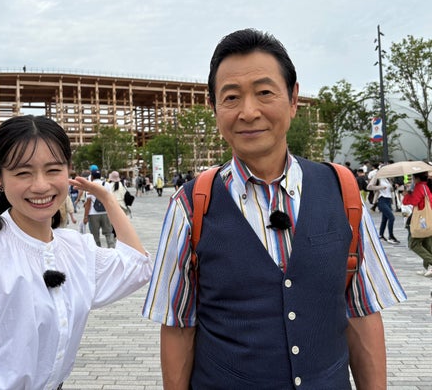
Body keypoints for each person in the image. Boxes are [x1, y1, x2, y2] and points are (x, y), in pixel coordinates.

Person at [143, 28, 406, 389]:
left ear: (293, 98)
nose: (249, 112)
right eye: (231, 97)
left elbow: (362, 312)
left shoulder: (342, 191)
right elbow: (178, 326)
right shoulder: (191, 206)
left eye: (265, 92)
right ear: (214, 108)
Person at [0, 115, 152, 390]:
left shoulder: (75, 248)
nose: (40, 186)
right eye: (23, 173)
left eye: (53, 170)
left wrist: (107, 197)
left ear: (69, 171)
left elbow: (137, 266)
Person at [402, 172, 432, 277]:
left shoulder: (419, 187)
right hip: (428, 218)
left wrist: (406, 195)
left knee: (413, 244)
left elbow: (414, 201)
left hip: (421, 219)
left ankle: (430, 264)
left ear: (417, 178)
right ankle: (427, 268)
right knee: (427, 243)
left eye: (413, 177)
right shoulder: (426, 186)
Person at [84, 169, 115, 248]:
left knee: (95, 235)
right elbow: (110, 199)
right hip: (105, 212)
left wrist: (85, 216)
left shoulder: (90, 185)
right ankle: (112, 249)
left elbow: (88, 202)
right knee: (109, 233)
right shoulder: (106, 184)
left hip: (93, 214)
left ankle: (98, 251)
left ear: (92, 176)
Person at [367, 173, 400, 244]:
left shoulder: (388, 179)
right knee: (391, 217)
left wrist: (394, 187)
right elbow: (369, 187)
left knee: (384, 219)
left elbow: (390, 190)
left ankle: (381, 235)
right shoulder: (377, 177)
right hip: (381, 200)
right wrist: (380, 187)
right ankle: (391, 237)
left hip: (388, 200)